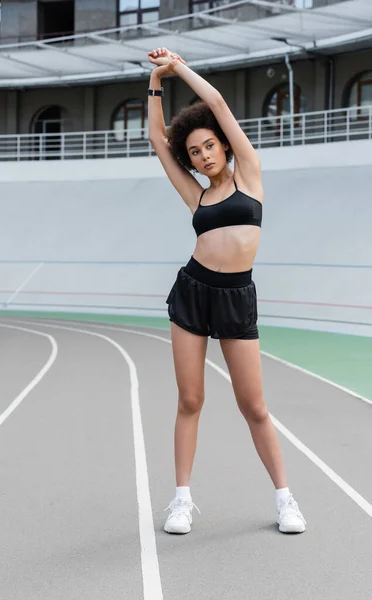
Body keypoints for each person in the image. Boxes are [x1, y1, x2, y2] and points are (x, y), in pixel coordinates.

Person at [147, 47, 306, 535]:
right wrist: (155, 82)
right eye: (194, 151)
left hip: (237, 295)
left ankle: (285, 500)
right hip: (193, 291)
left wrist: (178, 68)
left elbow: (214, 100)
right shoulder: (193, 193)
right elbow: (157, 139)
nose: (203, 155)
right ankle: (181, 501)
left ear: (224, 146)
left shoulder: (250, 176)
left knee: (253, 405)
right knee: (190, 400)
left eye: (209, 146)